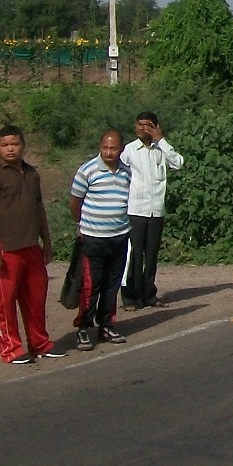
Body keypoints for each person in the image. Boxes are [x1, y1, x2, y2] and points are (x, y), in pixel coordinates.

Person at [0, 125, 61, 364]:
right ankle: (10, 348)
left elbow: (39, 209)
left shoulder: (32, 174)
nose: (10, 149)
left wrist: (46, 241)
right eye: (5, 145)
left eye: (14, 144)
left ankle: (40, 343)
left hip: (30, 246)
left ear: (23, 144)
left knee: (35, 298)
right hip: (6, 248)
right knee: (5, 302)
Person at [69, 129, 132, 350]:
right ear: (100, 147)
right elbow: (75, 203)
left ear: (121, 149)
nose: (108, 152)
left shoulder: (126, 172)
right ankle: (84, 328)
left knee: (111, 284)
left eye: (113, 148)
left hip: (119, 237)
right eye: (105, 147)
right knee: (90, 286)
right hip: (94, 239)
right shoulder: (87, 171)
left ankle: (106, 325)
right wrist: (81, 225)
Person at [121, 111, 183, 309]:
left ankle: (149, 294)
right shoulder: (129, 150)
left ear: (155, 127)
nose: (142, 129)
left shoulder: (161, 150)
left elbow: (178, 163)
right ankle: (131, 297)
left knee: (152, 255)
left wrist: (161, 140)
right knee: (134, 256)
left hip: (156, 210)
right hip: (135, 210)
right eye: (139, 124)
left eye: (147, 125)